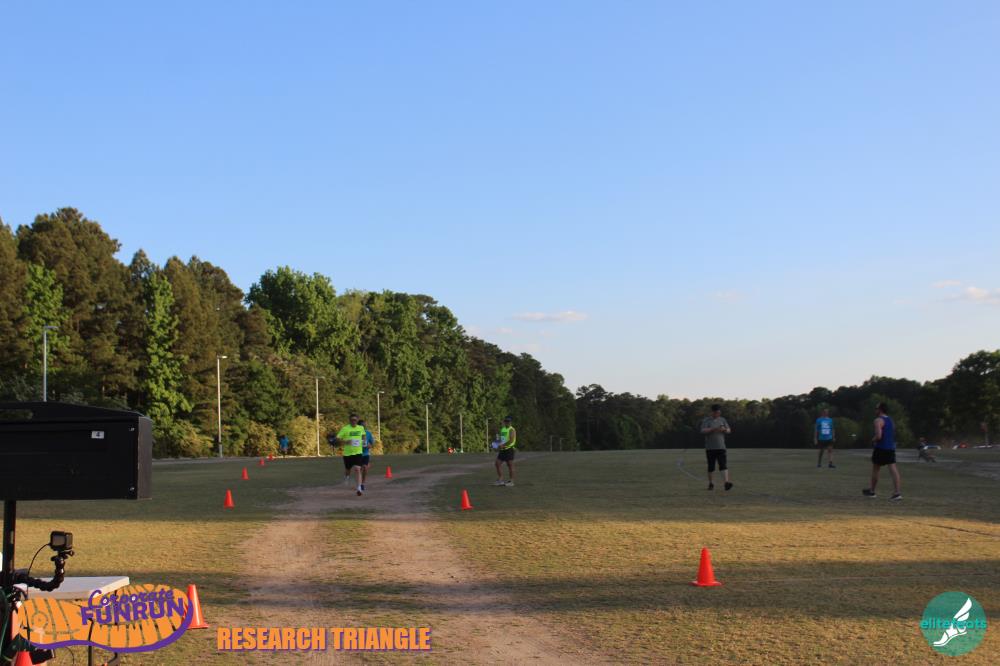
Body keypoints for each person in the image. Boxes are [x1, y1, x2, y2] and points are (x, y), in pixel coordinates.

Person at [863, 402, 901, 501]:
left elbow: (879, 436)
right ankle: (897, 493)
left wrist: (872, 440)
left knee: (876, 469)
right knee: (893, 470)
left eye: (876, 408)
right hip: (890, 448)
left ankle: (872, 491)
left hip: (880, 448)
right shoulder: (891, 420)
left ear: (880, 410)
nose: (875, 410)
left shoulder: (878, 420)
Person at [333, 414, 367, 496]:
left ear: (357, 420)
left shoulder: (361, 428)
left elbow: (363, 436)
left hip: (358, 452)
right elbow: (337, 439)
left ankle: (359, 488)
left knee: (357, 469)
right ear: (349, 420)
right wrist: (346, 442)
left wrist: (364, 441)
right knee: (348, 469)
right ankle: (347, 477)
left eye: (355, 420)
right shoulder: (345, 428)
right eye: (352, 420)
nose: (353, 421)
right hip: (348, 453)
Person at [700, 404, 733, 491]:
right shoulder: (706, 420)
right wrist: (712, 429)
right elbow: (702, 430)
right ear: (712, 412)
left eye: (719, 412)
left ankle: (726, 483)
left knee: (723, 465)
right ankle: (711, 483)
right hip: (710, 448)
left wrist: (724, 430)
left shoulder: (723, 420)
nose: (717, 414)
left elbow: (729, 430)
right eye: (716, 412)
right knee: (711, 466)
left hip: (721, 447)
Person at [493, 416, 517, 487]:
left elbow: (511, 440)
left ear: (511, 422)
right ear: (504, 422)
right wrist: (496, 444)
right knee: (497, 463)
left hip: (509, 449)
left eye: (508, 421)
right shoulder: (503, 429)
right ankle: (500, 480)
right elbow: (501, 439)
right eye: (506, 421)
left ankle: (511, 481)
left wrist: (503, 445)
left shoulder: (511, 430)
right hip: (503, 450)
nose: (507, 422)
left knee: (510, 465)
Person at [358, 419, 375, 491]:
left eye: (364, 425)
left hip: (365, 454)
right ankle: (359, 483)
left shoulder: (368, 433)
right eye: (362, 425)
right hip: (357, 453)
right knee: (359, 469)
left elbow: (372, 443)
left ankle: (362, 484)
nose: (364, 426)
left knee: (365, 468)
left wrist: (369, 446)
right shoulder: (355, 433)